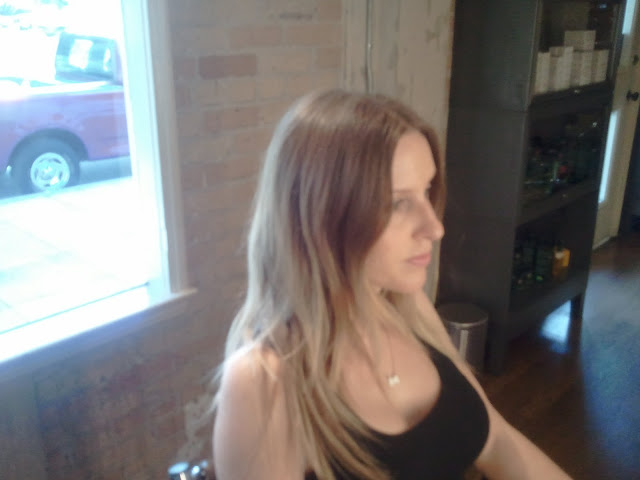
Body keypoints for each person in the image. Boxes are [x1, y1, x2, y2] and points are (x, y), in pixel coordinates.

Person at [211, 90, 571, 480]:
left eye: (427, 191)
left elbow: (496, 439)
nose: (435, 227)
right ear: (322, 216)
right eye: (398, 203)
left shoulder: (409, 307)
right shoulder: (263, 383)